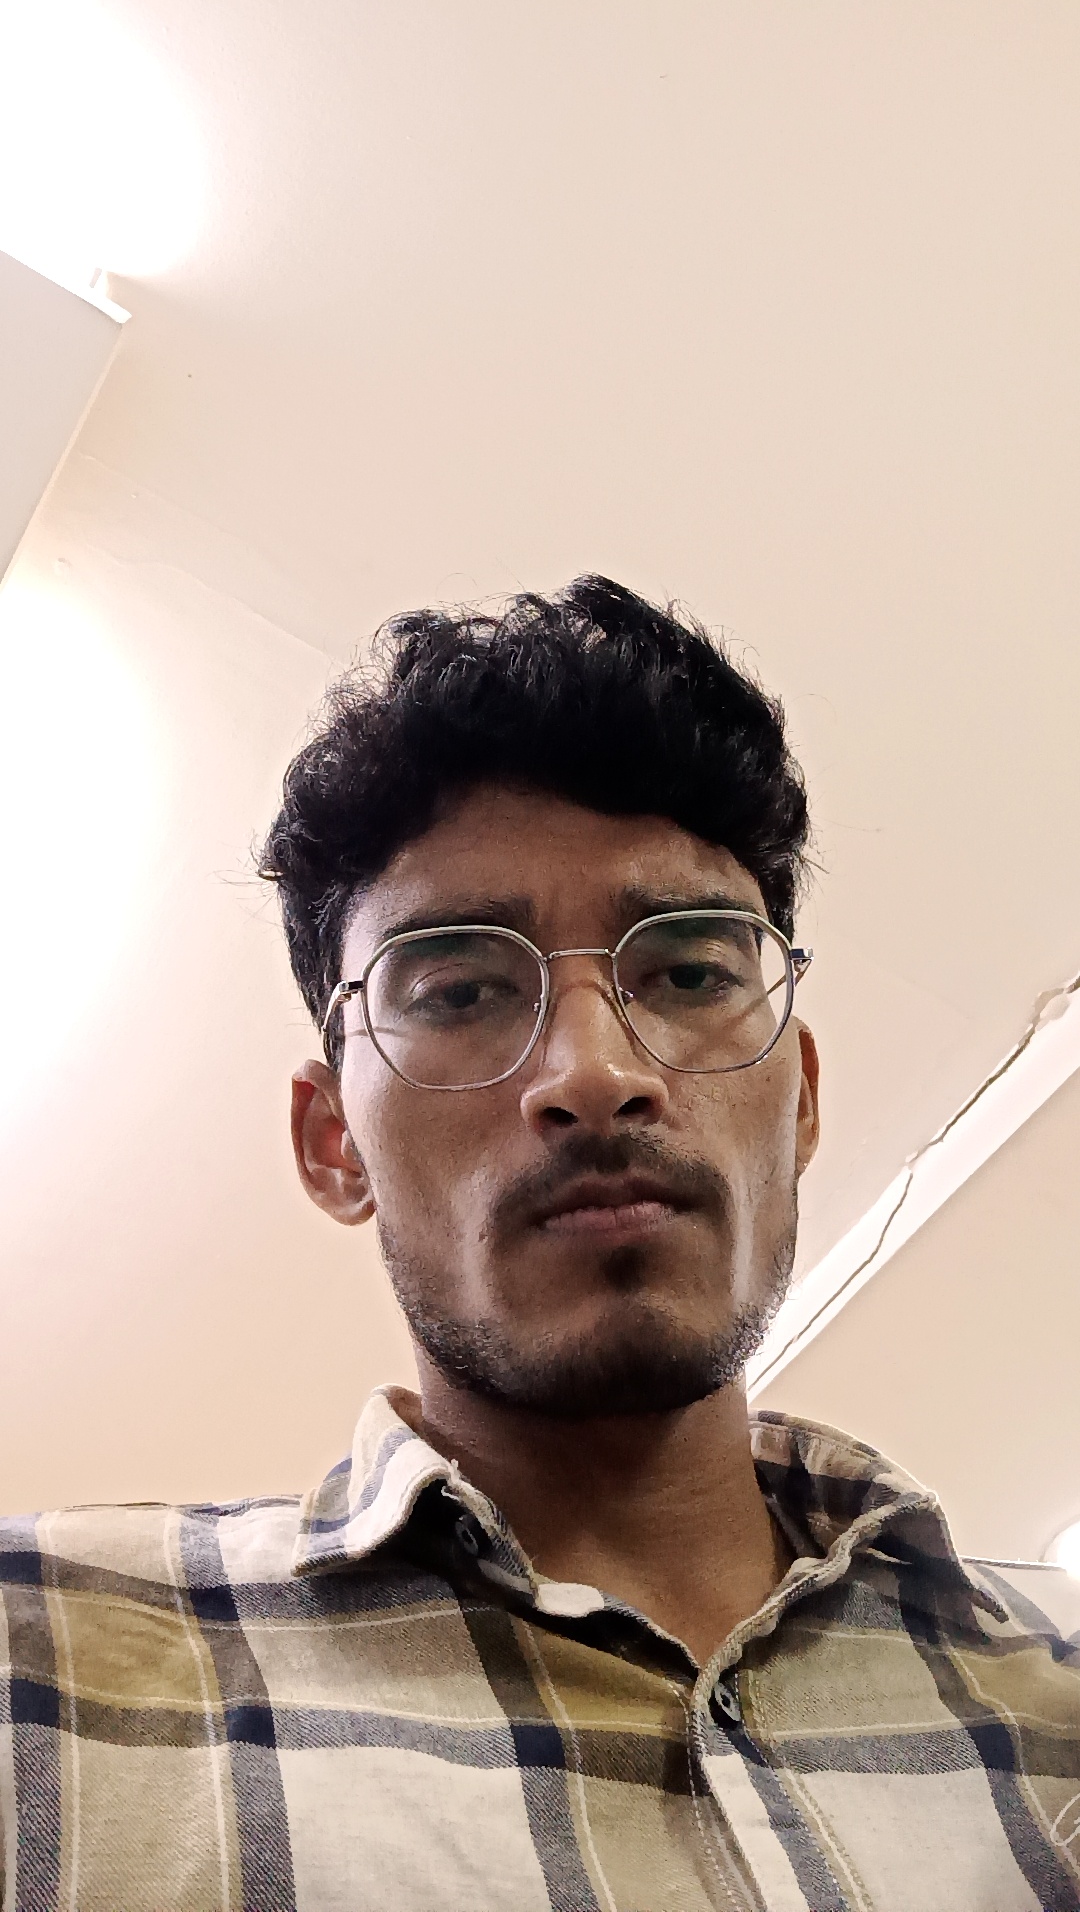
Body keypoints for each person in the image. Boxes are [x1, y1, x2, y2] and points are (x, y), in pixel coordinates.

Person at [0, 576, 1076, 1911]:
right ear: (335, 1143)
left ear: (800, 1100)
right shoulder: (36, 1676)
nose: (595, 1072)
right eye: (460, 990)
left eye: (690, 972)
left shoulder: (1062, 1702)